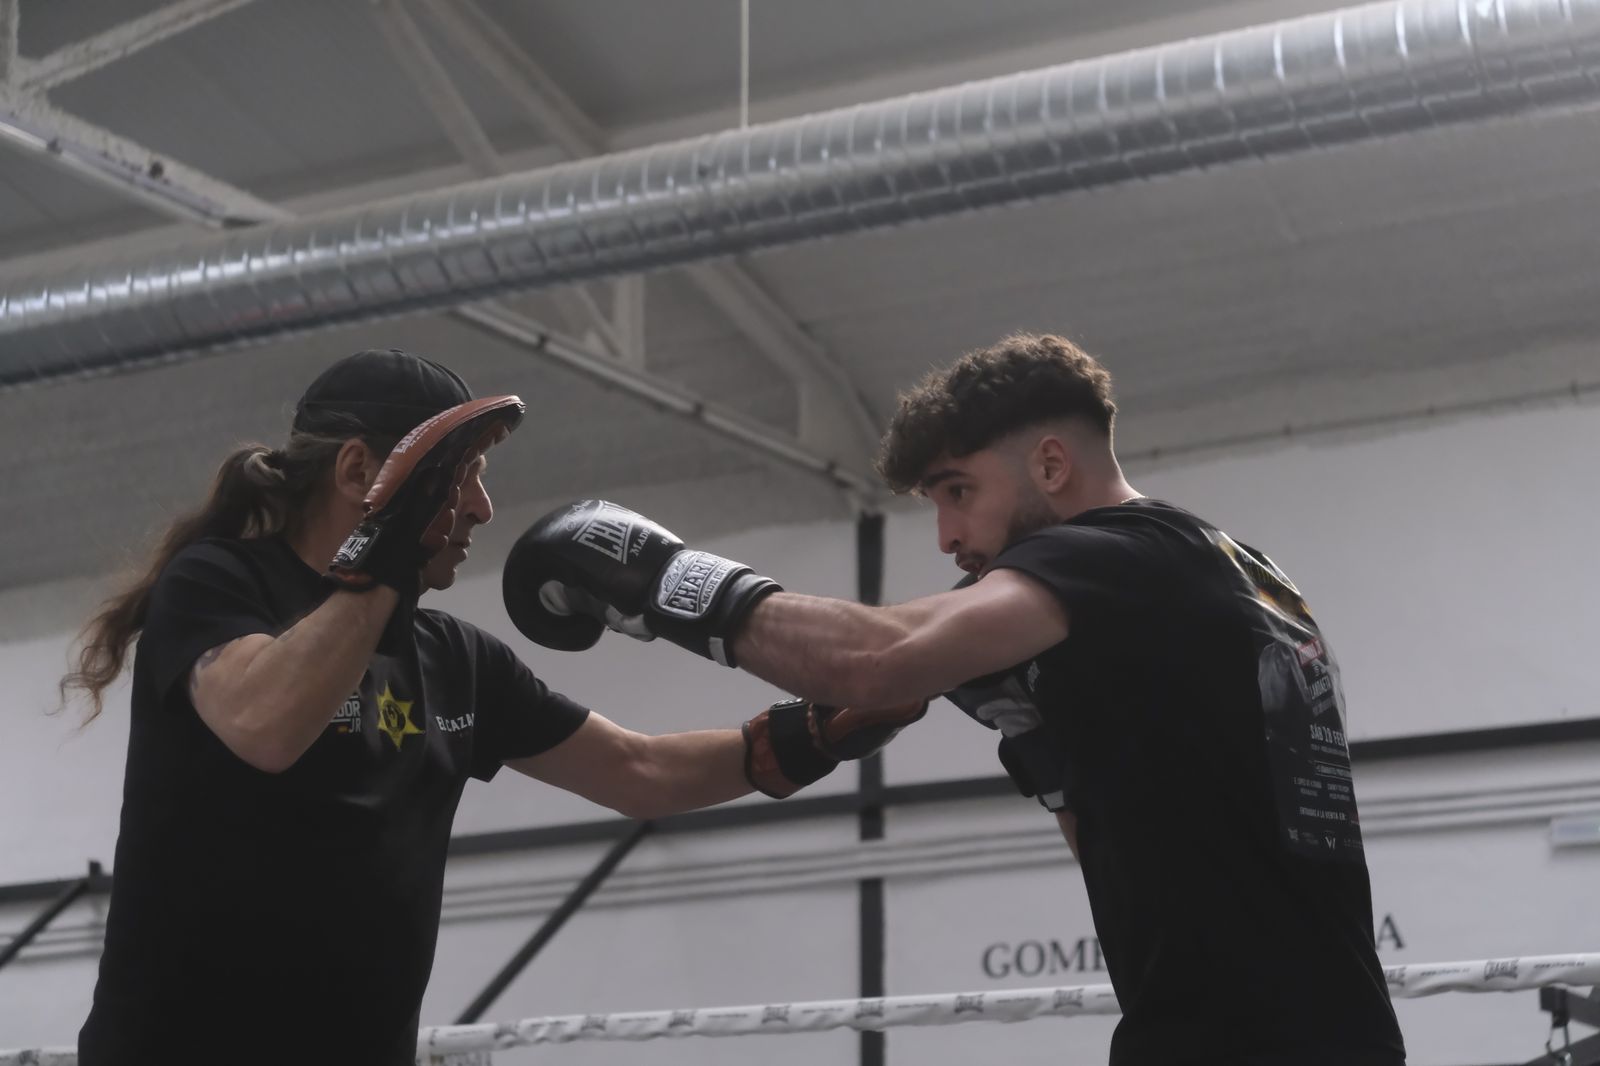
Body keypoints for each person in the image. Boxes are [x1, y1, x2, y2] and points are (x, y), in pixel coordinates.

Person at [505, 332, 1408, 1065]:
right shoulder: (1239, 572)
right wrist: (1049, 738)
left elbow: (880, 660)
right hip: (1321, 1030)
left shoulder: (1120, 554)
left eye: (959, 492)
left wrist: (666, 577)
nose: (947, 535)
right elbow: (1138, 835)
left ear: (1051, 463)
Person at [60, 348, 923, 1066]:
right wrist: (387, 554)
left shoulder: (453, 659)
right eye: (458, 477)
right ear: (361, 473)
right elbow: (266, 725)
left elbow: (641, 772)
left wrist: (810, 736)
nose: (480, 507)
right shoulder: (219, 586)